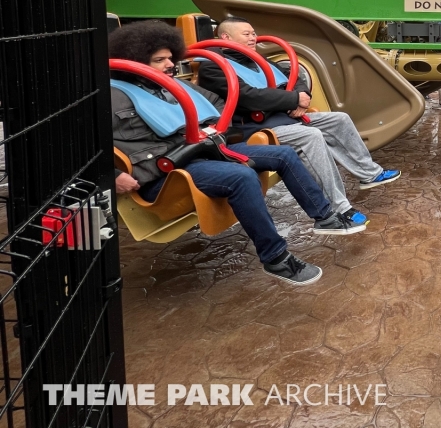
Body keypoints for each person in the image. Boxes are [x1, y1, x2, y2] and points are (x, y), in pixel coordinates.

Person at [109, 21, 361, 287]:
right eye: (159, 60)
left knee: (284, 154)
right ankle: (276, 258)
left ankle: (325, 217)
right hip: (169, 172)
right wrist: (112, 175)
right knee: (241, 177)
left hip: (205, 151)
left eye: (170, 58)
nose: (170, 65)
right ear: (135, 61)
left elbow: (217, 103)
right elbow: (84, 148)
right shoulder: (113, 98)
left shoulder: (172, 86)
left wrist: (210, 128)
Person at [197, 17, 400, 225]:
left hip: (282, 117)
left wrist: (302, 97)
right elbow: (248, 97)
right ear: (226, 37)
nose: (253, 38)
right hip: (254, 128)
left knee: (339, 119)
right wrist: (293, 99)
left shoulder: (257, 60)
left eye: (254, 33)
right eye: (246, 34)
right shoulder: (213, 67)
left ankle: (369, 173)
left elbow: (292, 76)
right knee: (311, 136)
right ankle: (339, 208)